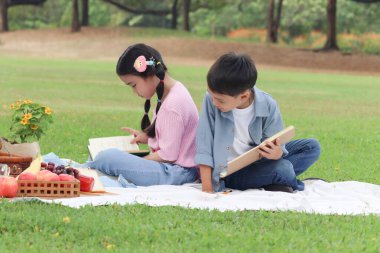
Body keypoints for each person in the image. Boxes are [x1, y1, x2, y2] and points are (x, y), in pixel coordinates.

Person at [195, 52, 321, 193]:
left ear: (244, 96)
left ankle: (274, 179)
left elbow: (278, 147)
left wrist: (277, 153)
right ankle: (288, 182)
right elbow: (204, 147)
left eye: (220, 100)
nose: (214, 102)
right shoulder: (211, 101)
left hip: (259, 162)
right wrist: (208, 189)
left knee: (312, 147)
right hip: (229, 172)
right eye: (211, 95)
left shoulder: (267, 104)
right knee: (283, 169)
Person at [88, 43, 199, 186]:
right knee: (107, 158)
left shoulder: (172, 104)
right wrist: (147, 137)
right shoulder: (173, 92)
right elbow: (174, 137)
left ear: (150, 74)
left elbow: (168, 155)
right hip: (176, 170)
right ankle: (86, 169)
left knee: (107, 158)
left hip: (177, 173)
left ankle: (83, 169)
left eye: (133, 85)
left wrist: (139, 163)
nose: (134, 92)